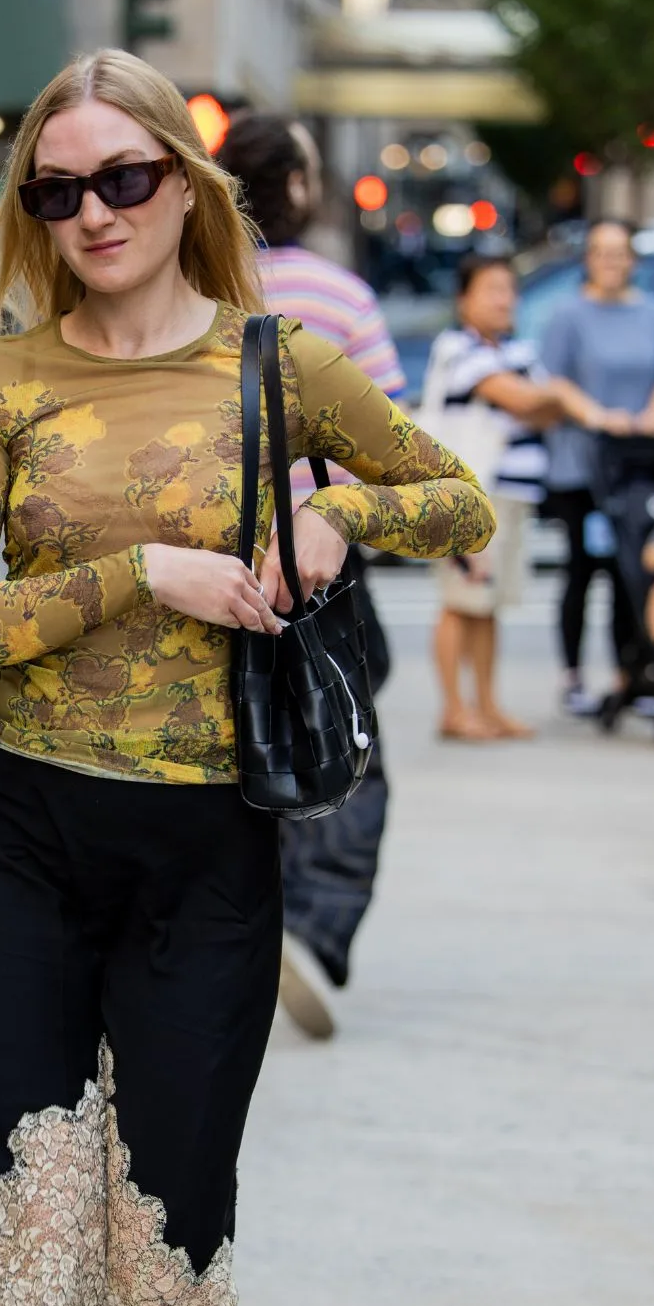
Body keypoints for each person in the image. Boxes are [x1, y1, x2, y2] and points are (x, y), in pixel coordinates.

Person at [0, 48, 494, 1306]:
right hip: (21, 833)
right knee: (31, 1234)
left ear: (187, 184)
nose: (92, 214)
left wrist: (335, 512)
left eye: (123, 180)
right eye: (57, 190)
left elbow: (457, 500)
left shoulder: (276, 362)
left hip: (200, 859)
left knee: (166, 1241)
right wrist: (129, 578)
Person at [220, 111, 406, 1039]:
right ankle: (315, 925)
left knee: (217, 742)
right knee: (342, 744)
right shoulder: (338, 297)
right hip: (316, 557)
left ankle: (217, 932)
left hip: (199, 557)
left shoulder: (188, 295)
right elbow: (392, 449)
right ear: (296, 187)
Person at [424, 251, 628, 741]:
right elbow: (525, 401)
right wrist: (568, 398)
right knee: (460, 601)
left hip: (509, 498)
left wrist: (549, 399)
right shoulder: (457, 347)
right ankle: (454, 709)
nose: (505, 299)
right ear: (464, 300)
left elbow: (539, 410)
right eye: (492, 289)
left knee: (488, 604)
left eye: (509, 289)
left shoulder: (515, 351)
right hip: (466, 499)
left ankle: (488, 706)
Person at [540, 218, 654, 715]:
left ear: (632, 259)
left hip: (640, 462)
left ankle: (630, 673)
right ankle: (573, 675)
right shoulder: (568, 314)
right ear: (588, 258)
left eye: (620, 252)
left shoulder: (653, 313)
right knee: (582, 569)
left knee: (631, 570)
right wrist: (598, 416)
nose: (611, 262)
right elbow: (551, 380)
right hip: (582, 460)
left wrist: (650, 416)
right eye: (601, 252)